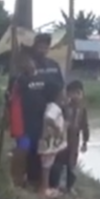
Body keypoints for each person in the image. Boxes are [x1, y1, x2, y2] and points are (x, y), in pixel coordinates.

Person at [18, 33, 65, 190]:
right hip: (29, 116)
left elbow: (60, 90)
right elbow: (17, 91)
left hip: (49, 116)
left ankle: (49, 183)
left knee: (48, 149)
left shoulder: (53, 66)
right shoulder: (27, 66)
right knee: (28, 147)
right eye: (40, 45)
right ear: (35, 47)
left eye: (46, 46)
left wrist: (56, 110)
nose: (43, 49)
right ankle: (30, 179)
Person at [6, 55, 34, 185]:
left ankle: (18, 176)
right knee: (23, 148)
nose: (31, 65)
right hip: (20, 118)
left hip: (22, 117)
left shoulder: (18, 78)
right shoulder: (23, 80)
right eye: (29, 62)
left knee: (22, 147)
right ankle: (16, 177)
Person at [57, 80, 90, 193]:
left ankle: (69, 186)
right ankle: (59, 184)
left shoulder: (82, 109)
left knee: (72, 163)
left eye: (78, 93)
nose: (75, 96)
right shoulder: (64, 108)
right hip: (63, 138)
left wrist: (85, 142)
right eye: (72, 93)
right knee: (60, 161)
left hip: (75, 141)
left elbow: (85, 126)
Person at [37, 83, 67, 197]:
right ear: (58, 94)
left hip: (49, 142)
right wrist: (57, 128)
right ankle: (44, 189)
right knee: (46, 165)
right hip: (49, 142)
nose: (65, 94)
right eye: (63, 92)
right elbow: (48, 118)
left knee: (47, 164)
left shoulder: (51, 106)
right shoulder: (54, 108)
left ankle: (45, 188)